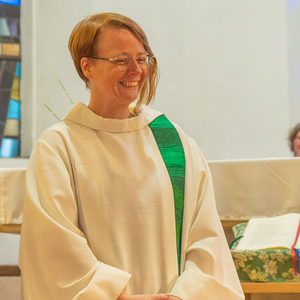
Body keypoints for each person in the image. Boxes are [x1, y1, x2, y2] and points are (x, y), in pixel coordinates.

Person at [19, 12, 244, 300]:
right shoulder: (59, 144)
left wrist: (182, 296)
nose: (136, 70)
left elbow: (207, 235)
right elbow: (51, 243)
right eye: (121, 60)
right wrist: (117, 296)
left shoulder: (172, 140)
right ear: (86, 66)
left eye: (142, 59)